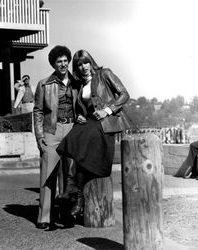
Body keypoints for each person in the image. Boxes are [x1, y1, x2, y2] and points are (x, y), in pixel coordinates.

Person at [56, 49, 130, 217]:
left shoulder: (105, 74)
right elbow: (81, 107)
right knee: (69, 142)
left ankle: (76, 194)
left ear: (91, 62)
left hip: (105, 123)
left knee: (82, 144)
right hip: (90, 122)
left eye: (86, 62)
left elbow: (124, 94)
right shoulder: (80, 84)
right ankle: (73, 190)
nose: (83, 67)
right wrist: (80, 116)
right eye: (79, 65)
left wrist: (107, 110)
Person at [33, 45, 80, 230]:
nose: (62, 64)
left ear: (68, 61)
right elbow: (37, 111)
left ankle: (67, 214)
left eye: (65, 60)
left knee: (70, 175)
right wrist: (39, 137)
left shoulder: (77, 83)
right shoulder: (44, 84)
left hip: (72, 129)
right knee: (48, 174)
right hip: (51, 131)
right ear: (53, 64)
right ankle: (45, 217)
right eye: (58, 61)